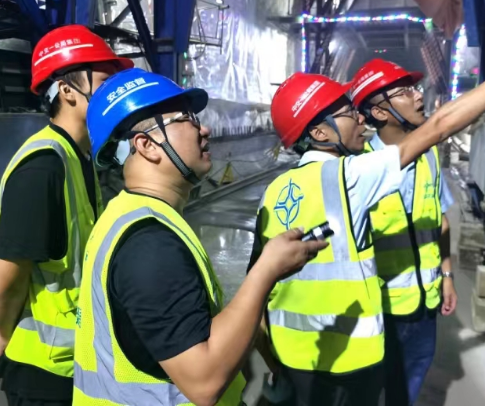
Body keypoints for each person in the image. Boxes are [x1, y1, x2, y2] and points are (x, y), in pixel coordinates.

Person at [249, 49, 485, 406]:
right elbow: (440, 126)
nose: (360, 118)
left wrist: (271, 361)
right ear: (319, 131)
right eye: (348, 113)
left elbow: (258, 286)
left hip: (293, 361)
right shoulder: (350, 176)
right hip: (348, 362)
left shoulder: (273, 192)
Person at [72, 68, 328, 406]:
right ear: (147, 145)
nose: (204, 129)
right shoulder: (149, 244)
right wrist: (266, 271)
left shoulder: (127, 215)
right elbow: (203, 382)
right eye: (186, 119)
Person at [0, 25, 133, 406]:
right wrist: (5, 333)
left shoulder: (78, 157)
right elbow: (3, 285)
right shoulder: (43, 167)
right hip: (45, 372)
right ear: (67, 90)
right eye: (105, 83)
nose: (114, 93)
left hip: (76, 360)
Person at [350, 59, 455, 405]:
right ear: (379, 112)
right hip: (380, 310)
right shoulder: (358, 168)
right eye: (405, 92)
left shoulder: (429, 156)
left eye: (415, 88)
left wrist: (447, 275)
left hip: (425, 303)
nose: (418, 96)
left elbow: (441, 221)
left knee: (407, 390)